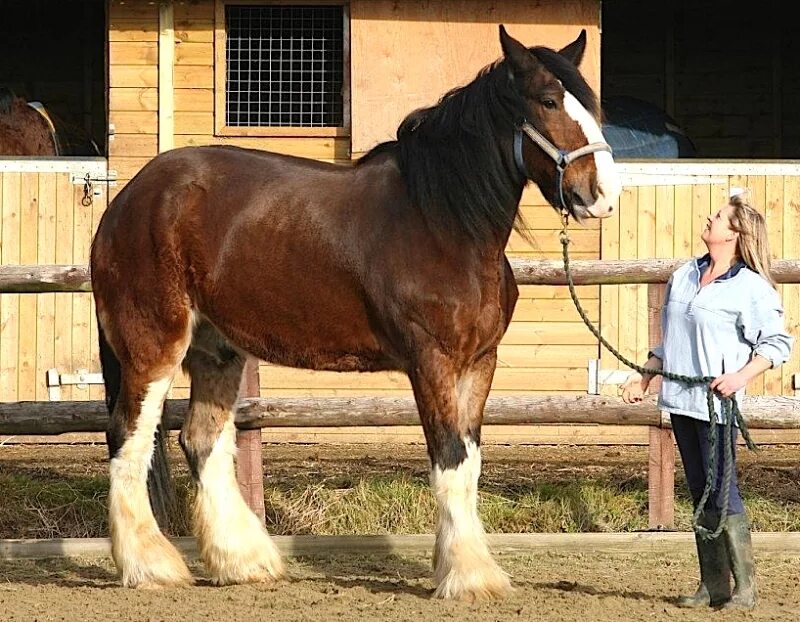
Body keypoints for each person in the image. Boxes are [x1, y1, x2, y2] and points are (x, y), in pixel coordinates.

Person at [620, 193, 793, 610]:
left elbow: (776, 344)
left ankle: (745, 590)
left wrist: (739, 377)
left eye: (717, 217)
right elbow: (671, 341)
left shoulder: (750, 288)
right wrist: (646, 374)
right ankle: (713, 586)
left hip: (717, 406)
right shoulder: (683, 275)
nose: (708, 219)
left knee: (722, 491)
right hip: (680, 402)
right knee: (699, 489)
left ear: (734, 235)